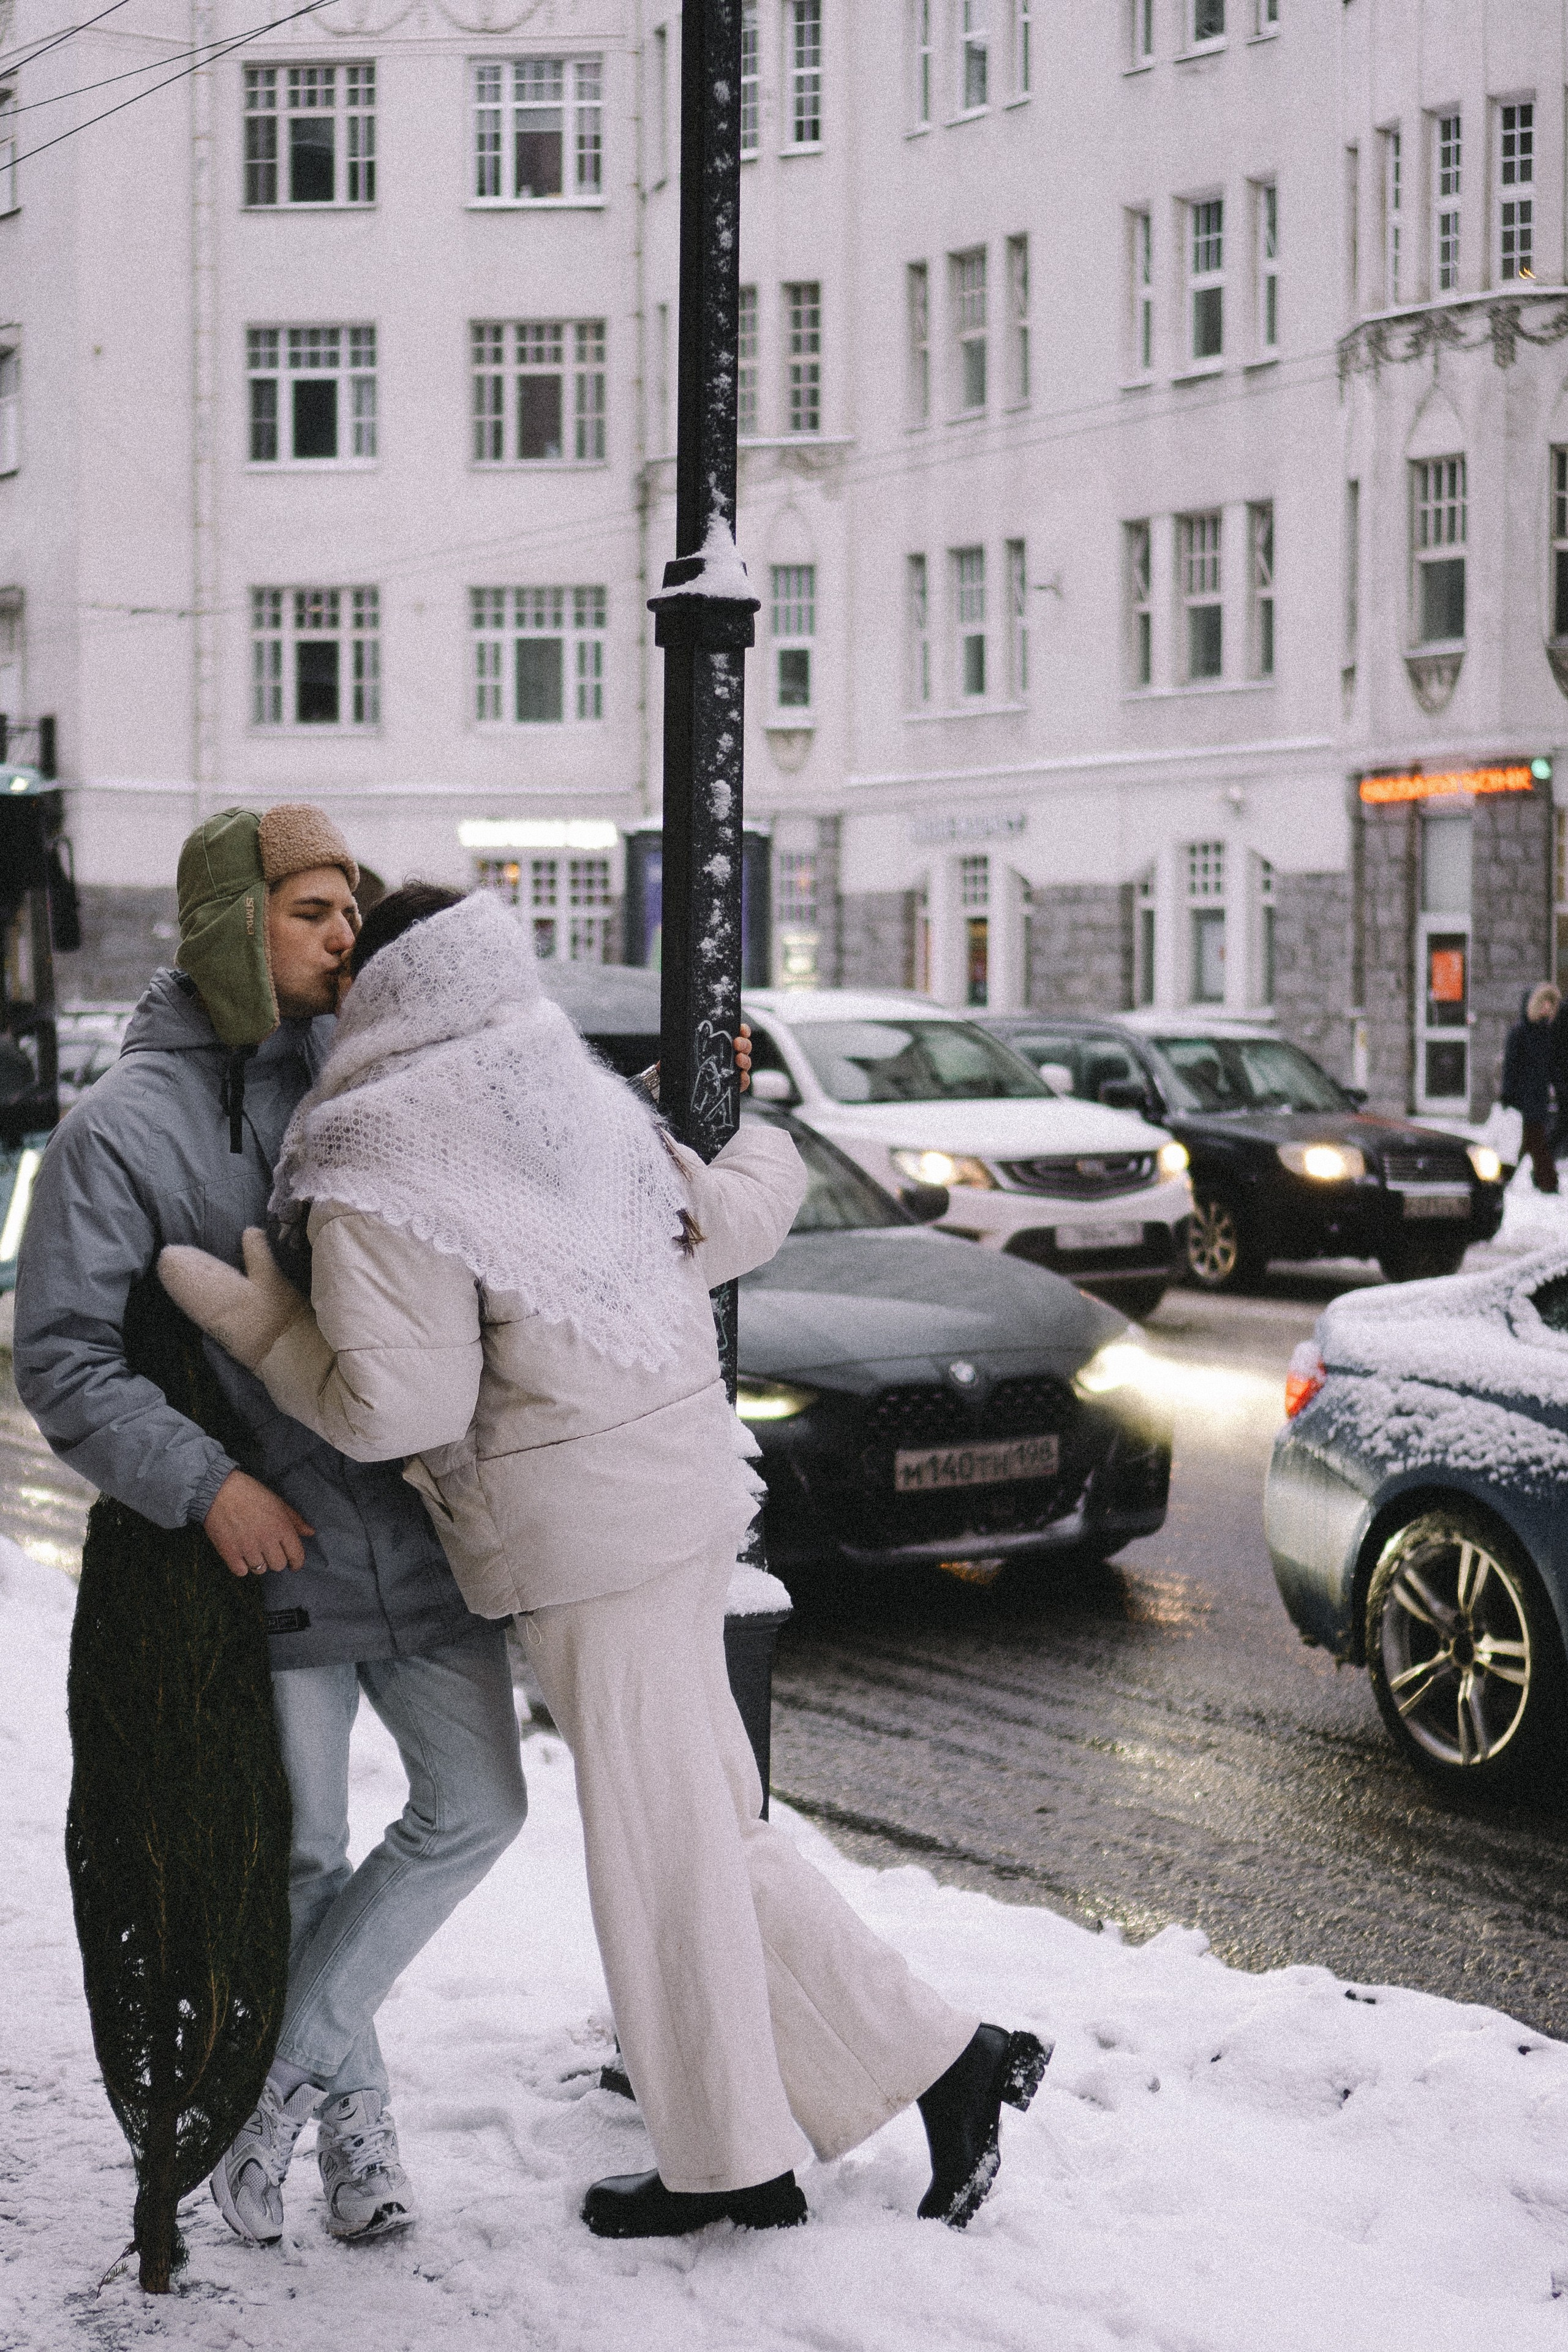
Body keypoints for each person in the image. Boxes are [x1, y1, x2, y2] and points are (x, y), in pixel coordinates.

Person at [159, 883, 1049, 2241]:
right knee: (702, 1836)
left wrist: (277, 1335)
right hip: (687, 1497)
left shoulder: (379, 1144)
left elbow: (402, 1407)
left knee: (663, 1850)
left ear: (383, 998)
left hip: (582, 1533)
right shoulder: (558, 1094)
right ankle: (886, 2091)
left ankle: (802, 2133)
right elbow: (723, 1223)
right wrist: (738, 1135)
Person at [13, 809, 528, 2250]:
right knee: (304, 1851)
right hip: (274, 1556)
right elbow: (61, 1356)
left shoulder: (366, 1079)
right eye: (311, 910)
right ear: (234, 923)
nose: (343, 934)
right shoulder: (119, 1128)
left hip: (418, 1536)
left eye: (350, 909)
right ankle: (354, 2129)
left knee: (480, 1803)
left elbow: (521, 1142)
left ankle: (281, 2081)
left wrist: (674, 1114)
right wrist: (208, 1485)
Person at [1501, 980, 1561, 1195]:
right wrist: (1507, 1095)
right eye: (1545, 1002)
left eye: (1551, 1004)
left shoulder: (1546, 1033)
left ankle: (1500, 1180)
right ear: (1535, 1004)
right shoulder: (1519, 1032)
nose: (1548, 1008)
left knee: (1529, 1143)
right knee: (1527, 1143)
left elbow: (1551, 1066)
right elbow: (1511, 1065)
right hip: (1520, 1099)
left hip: (1538, 1097)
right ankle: (1547, 1182)